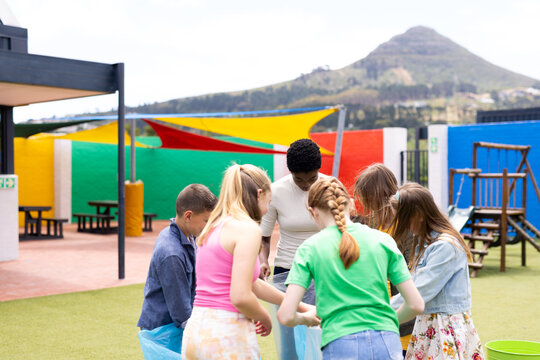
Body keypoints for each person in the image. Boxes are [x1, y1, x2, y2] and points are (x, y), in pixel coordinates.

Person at [181, 164, 319, 360]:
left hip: (196, 332)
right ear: (259, 194)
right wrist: (265, 316)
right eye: (268, 202)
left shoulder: (213, 226)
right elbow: (240, 296)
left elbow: (253, 283)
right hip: (227, 334)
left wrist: (302, 307)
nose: (266, 211)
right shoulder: (248, 229)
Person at [278, 177, 425, 360]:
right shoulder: (383, 240)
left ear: (312, 212)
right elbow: (416, 304)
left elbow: (286, 315)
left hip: (339, 341)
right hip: (387, 341)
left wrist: (306, 319)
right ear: (352, 205)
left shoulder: (309, 248)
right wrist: (388, 321)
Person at [389, 183, 484, 360]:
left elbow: (419, 290)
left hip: (444, 327)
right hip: (429, 324)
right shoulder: (427, 240)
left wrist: (382, 312)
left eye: (404, 220)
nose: (405, 227)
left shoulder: (445, 246)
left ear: (418, 214)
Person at [259, 138, 326, 359]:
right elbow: (264, 237)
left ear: (319, 170)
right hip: (288, 273)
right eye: (299, 179)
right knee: (290, 345)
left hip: (326, 271)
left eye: (312, 178)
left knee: (323, 337)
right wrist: (262, 260)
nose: (306, 185)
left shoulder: (330, 187)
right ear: (290, 172)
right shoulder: (276, 191)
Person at [137, 184, 217, 358]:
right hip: (163, 332)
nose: (208, 226)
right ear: (188, 215)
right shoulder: (172, 253)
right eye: (205, 220)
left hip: (172, 327)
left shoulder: (187, 236)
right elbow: (181, 314)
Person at [353, 163, 415, 355]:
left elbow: (412, 273)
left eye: (366, 197)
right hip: (376, 310)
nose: (364, 203)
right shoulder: (371, 222)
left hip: (403, 316)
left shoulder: (407, 227)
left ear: (376, 194)